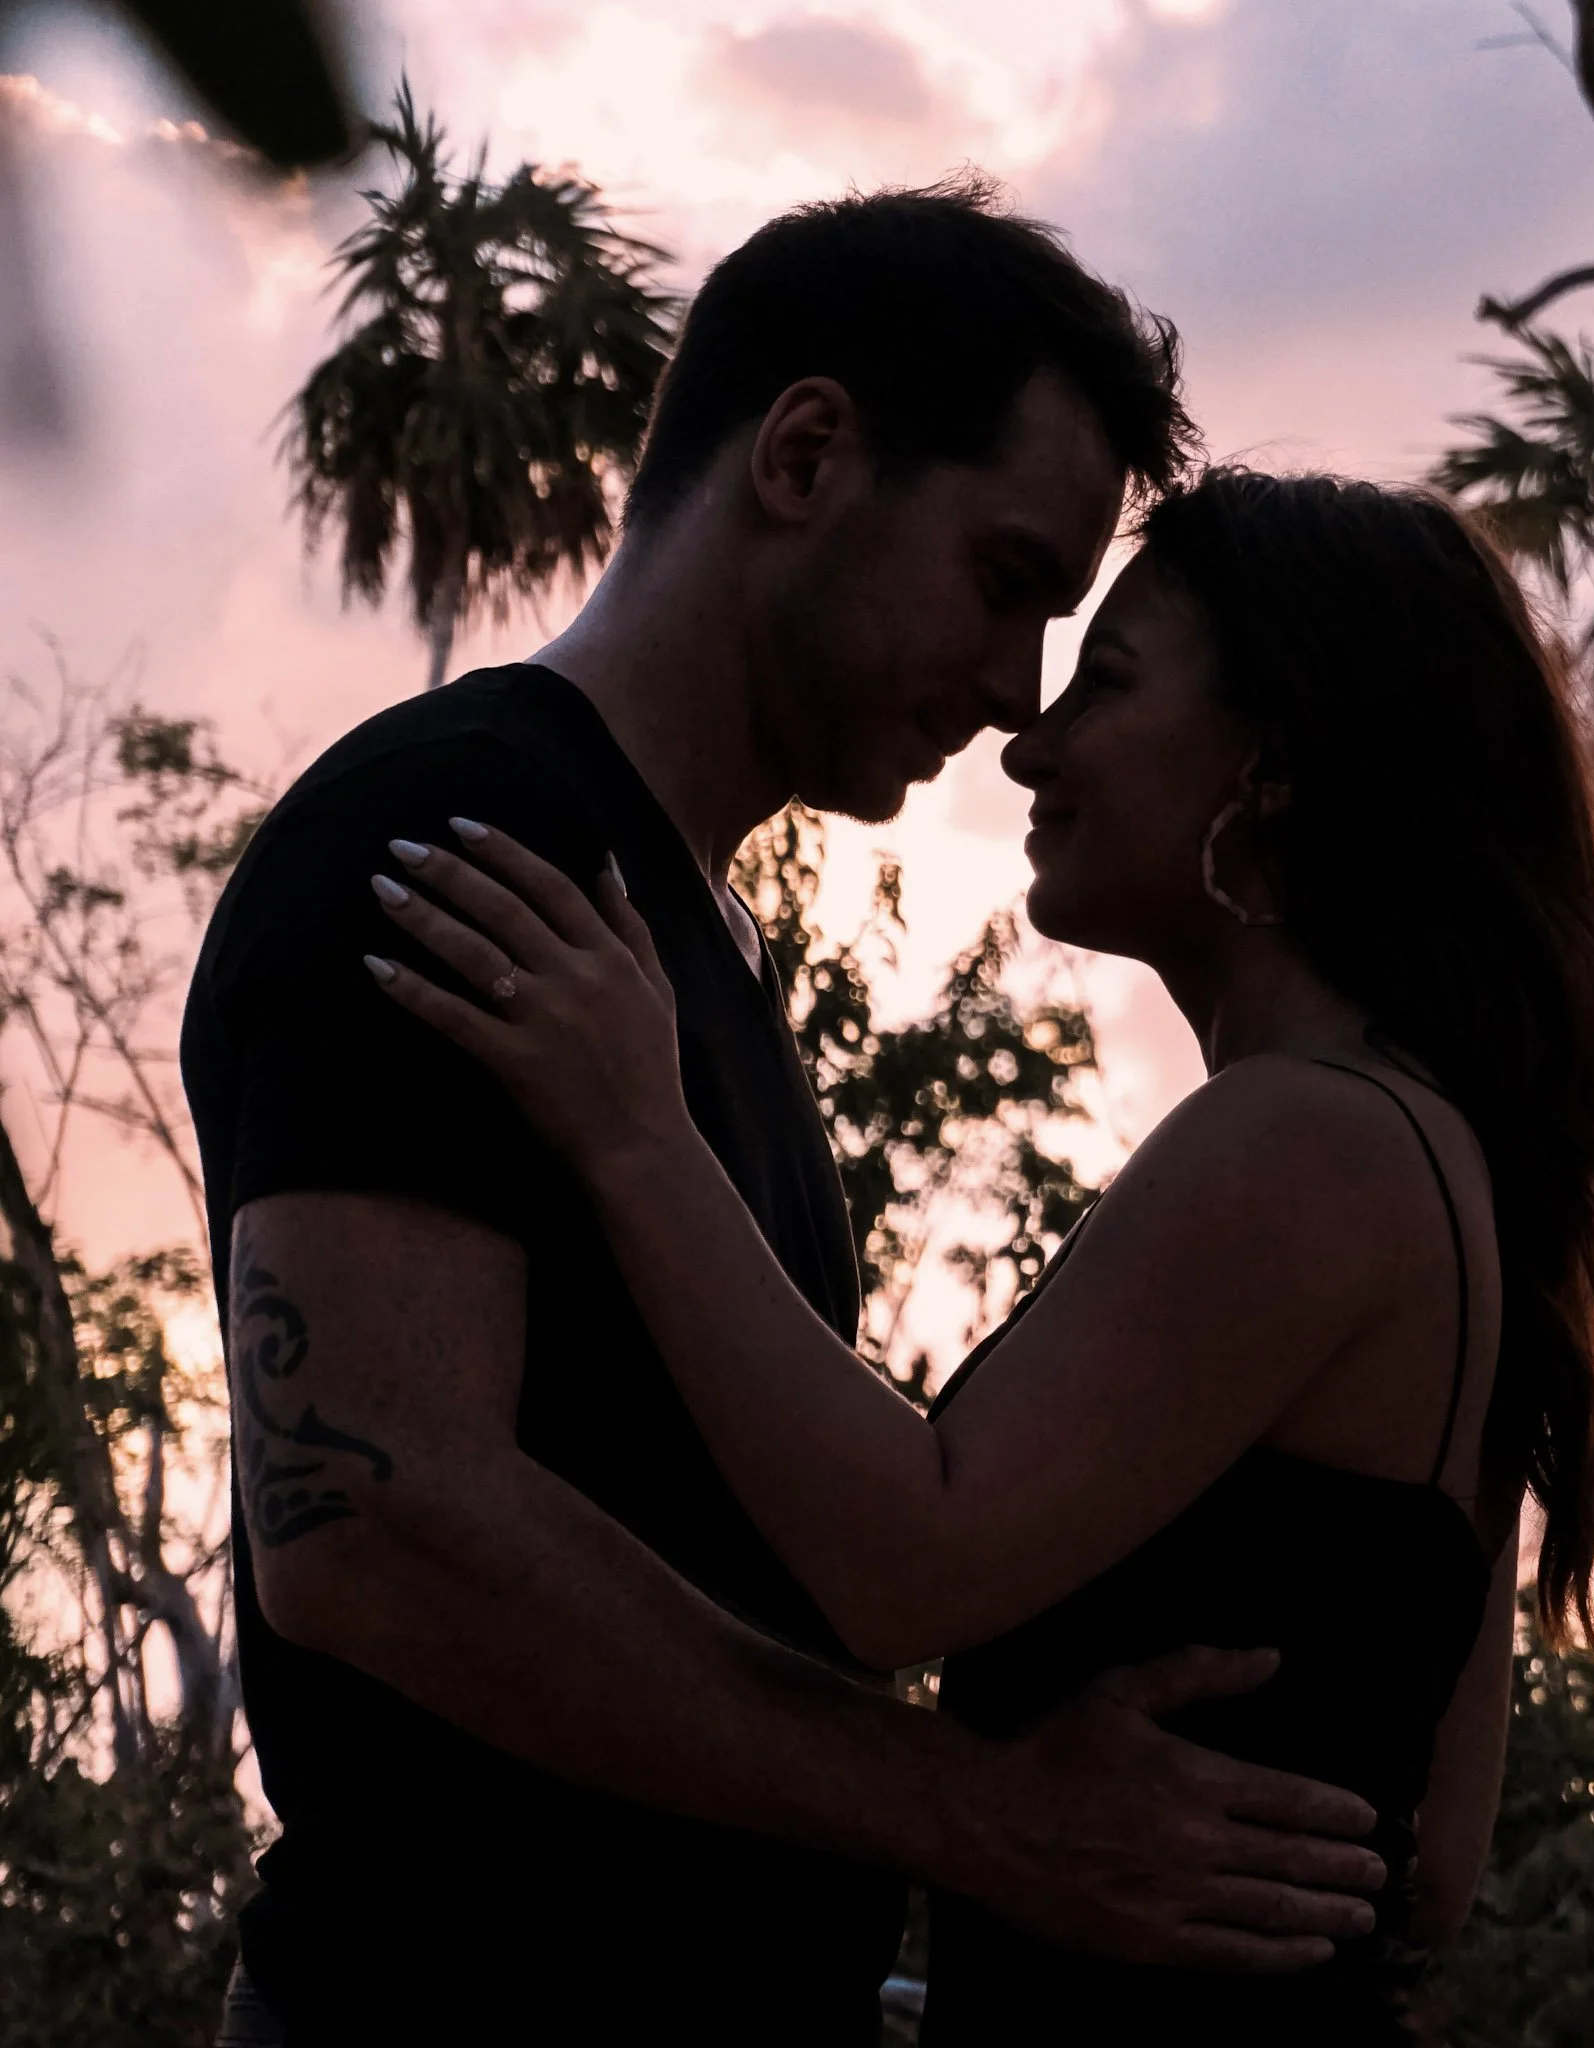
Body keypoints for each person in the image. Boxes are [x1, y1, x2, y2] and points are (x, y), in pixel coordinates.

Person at [185, 190, 1394, 2048]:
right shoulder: (459, 834)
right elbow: (373, 1524)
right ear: (808, 454)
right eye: (1006, 582)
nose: (1014, 699)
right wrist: (976, 1817)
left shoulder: (704, 946)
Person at [362, 465, 1594, 2041]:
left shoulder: (1310, 1142)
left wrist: (631, 1129)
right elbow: (1426, 1867)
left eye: (1109, 686)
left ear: (1272, 761)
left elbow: (899, 1567)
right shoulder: (1435, 1159)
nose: (1031, 743)